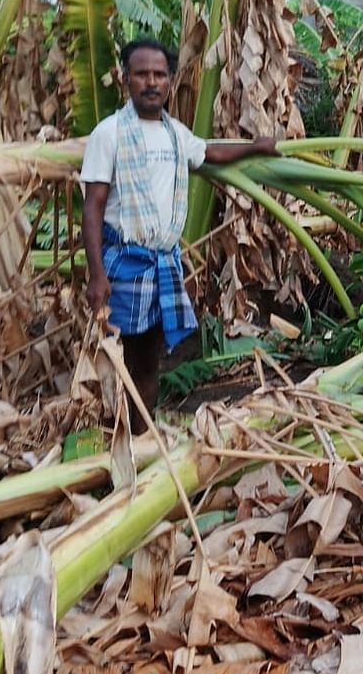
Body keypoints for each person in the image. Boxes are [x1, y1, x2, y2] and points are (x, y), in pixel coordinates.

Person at [81, 36, 276, 431]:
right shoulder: (110, 134)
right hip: (125, 262)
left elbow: (211, 153)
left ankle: (140, 434)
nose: (151, 82)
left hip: (163, 263)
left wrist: (256, 148)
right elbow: (93, 206)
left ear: (171, 80)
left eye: (159, 74)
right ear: (125, 80)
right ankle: (119, 432)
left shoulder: (175, 133)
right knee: (118, 358)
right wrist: (97, 274)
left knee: (150, 358)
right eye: (141, 74)